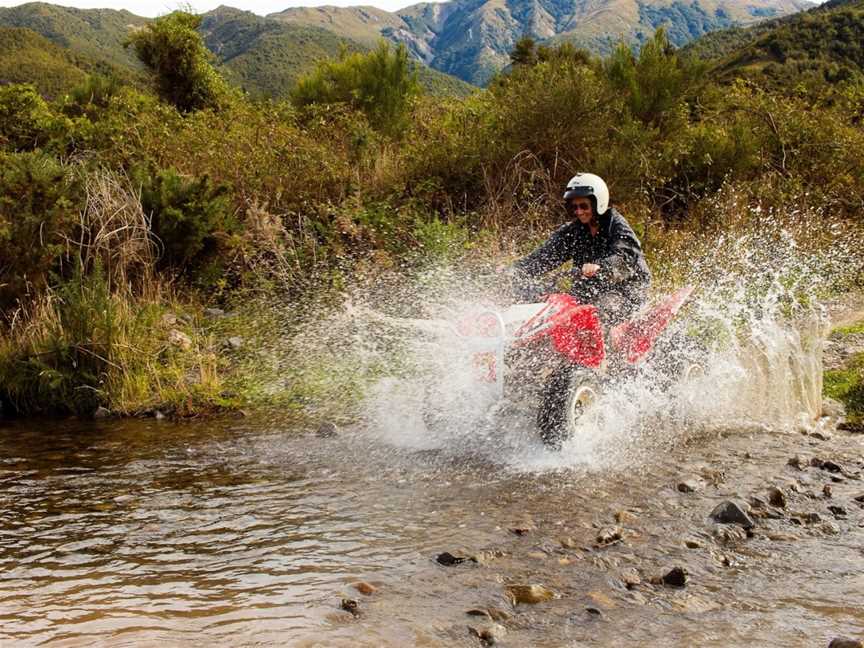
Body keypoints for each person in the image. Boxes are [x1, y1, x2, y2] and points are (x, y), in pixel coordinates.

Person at [510, 173, 651, 324]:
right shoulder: (574, 231)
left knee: (599, 312)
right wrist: (513, 271)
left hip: (626, 291)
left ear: (598, 203)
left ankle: (611, 346)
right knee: (550, 306)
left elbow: (625, 257)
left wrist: (602, 266)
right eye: (575, 207)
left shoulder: (617, 226)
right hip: (591, 288)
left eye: (584, 206)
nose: (579, 211)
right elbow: (543, 257)